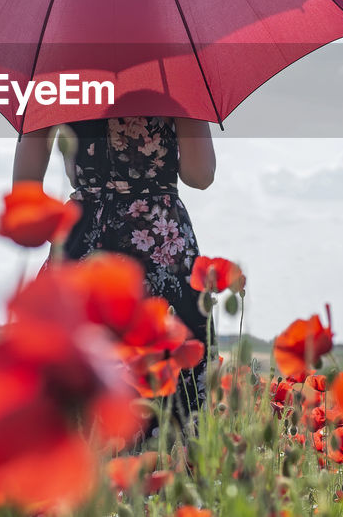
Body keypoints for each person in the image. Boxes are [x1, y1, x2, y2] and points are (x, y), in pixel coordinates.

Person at [12, 115, 216, 436]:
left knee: (77, 391)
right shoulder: (170, 78)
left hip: (82, 237)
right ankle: (162, 472)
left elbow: (25, 186)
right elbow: (200, 174)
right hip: (159, 241)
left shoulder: (58, 78)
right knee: (174, 396)